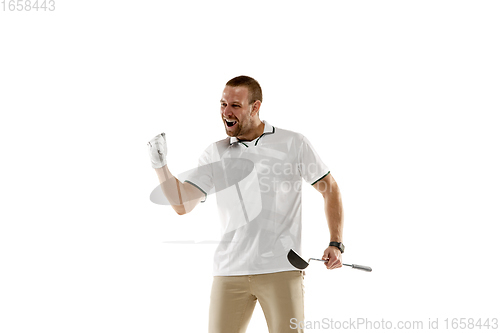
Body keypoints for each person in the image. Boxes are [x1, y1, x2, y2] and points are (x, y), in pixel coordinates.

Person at [147, 76, 345, 333]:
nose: (226, 112)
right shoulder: (215, 153)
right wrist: (159, 165)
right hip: (229, 272)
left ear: (255, 107)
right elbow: (182, 204)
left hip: (281, 269)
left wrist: (335, 243)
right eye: (222, 104)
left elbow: (330, 190)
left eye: (235, 105)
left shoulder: (293, 143)